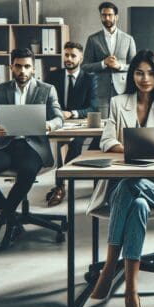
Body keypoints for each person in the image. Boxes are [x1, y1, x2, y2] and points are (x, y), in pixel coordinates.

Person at [83, 50, 154, 307]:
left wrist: (141, 151)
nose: (145, 78)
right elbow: (106, 140)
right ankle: (131, 293)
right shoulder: (118, 102)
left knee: (131, 186)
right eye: (139, 72)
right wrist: (133, 149)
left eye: (150, 73)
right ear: (131, 75)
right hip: (123, 185)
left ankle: (108, 269)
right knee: (134, 201)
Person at [0, 48, 63, 256]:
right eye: (18, 66)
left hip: (33, 147)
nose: (22, 71)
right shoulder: (0, 90)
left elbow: (59, 117)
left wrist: (49, 125)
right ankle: (10, 218)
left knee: (27, 172)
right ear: (11, 67)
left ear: (33, 68)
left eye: (27, 66)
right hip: (6, 146)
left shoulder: (47, 89)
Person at [45, 41, 98, 207]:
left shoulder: (90, 78)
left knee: (76, 144)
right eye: (66, 55)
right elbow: (45, 102)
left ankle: (61, 184)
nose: (68, 58)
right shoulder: (53, 76)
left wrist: (72, 113)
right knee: (57, 144)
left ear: (81, 58)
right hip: (56, 122)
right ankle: (61, 184)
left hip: (79, 123)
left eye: (73, 55)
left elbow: (93, 106)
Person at [82, 1, 136, 120]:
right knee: (102, 127)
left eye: (110, 15)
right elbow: (85, 66)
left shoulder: (128, 39)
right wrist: (103, 63)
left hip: (123, 89)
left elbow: (135, 66)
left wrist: (119, 66)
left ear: (116, 17)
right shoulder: (93, 39)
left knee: (122, 124)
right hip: (101, 90)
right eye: (104, 15)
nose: (107, 18)